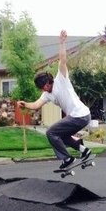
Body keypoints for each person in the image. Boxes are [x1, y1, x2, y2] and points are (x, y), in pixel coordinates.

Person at [17, 29, 92, 170]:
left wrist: (62, 42)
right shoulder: (46, 94)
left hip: (80, 115)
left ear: (49, 81)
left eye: (44, 86)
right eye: (41, 88)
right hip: (80, 117)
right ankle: (84, 151)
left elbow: (63, 59)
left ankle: (67, 158)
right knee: (60, 136)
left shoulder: (61, 78)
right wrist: (25, 104)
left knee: (50, 132)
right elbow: (36, 105)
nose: (43, 90)